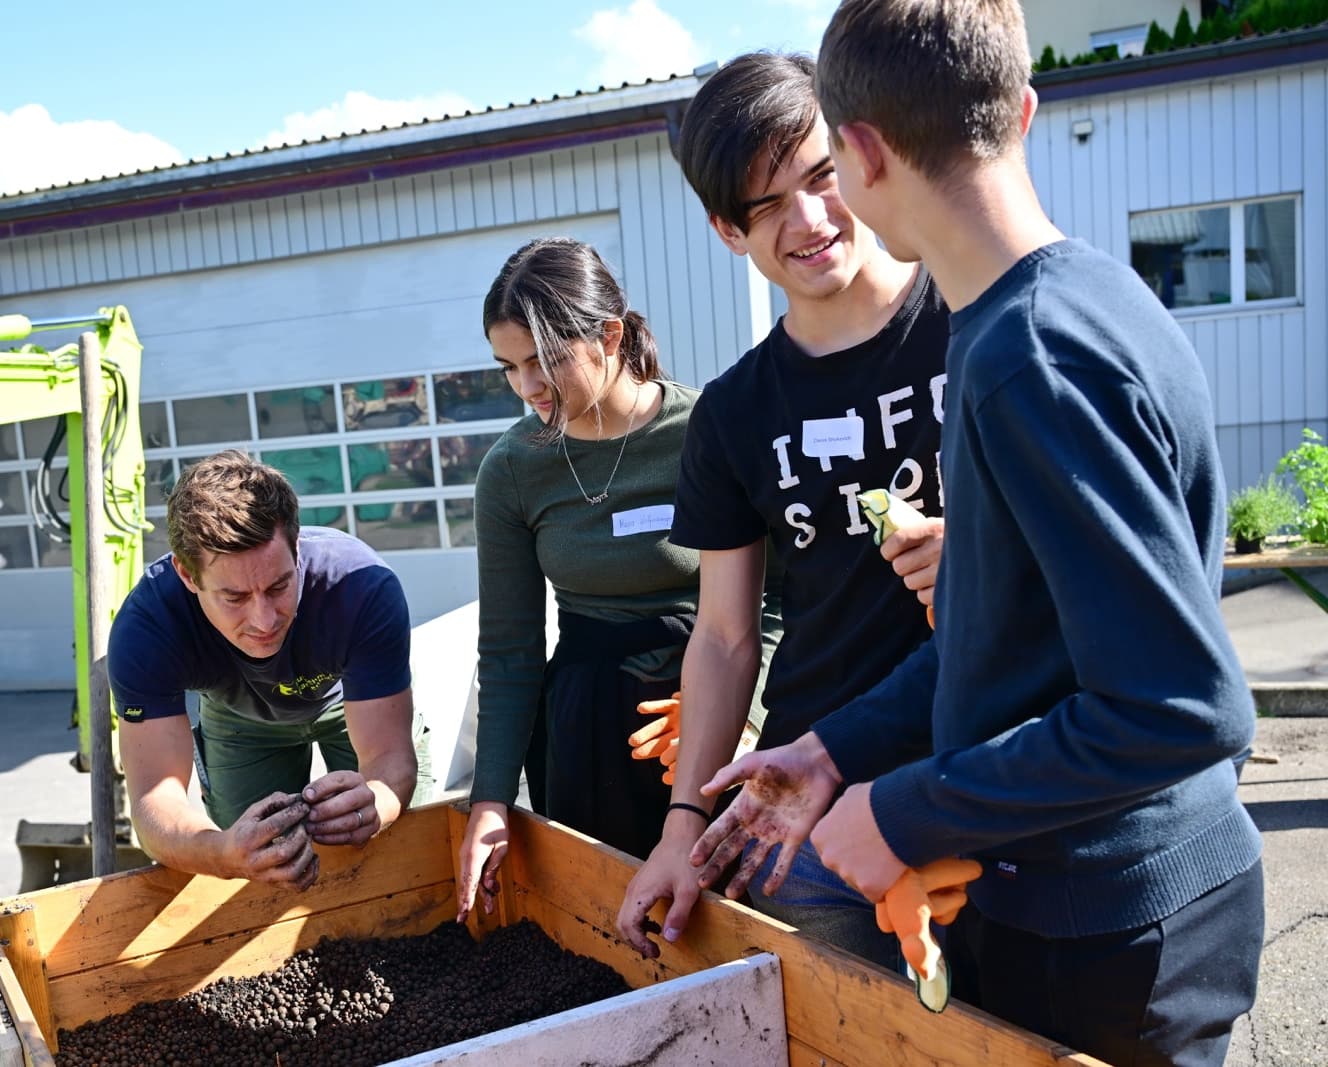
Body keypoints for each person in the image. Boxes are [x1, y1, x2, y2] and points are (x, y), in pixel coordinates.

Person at [690, 3, 1265, 1064]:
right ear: (1024, 110)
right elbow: (1018, 629)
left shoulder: (1022, 361)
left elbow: (1182, 706)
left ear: (859, 154)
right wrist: (831, 751)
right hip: (1107, 901)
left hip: (1111, 922)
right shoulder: (1084, 295)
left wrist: (904, 808)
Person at [615, 51, 949, 967]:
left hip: (978, 773)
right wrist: (682, 824)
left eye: (820, 177)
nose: (807, 221)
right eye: (765, 207)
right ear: (729, 232)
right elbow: (723, 638)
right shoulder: (733, 412)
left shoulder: (973, 322)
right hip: (804, 810)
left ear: (860, 156)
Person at [454, 237, 779, 921]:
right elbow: (510, 649)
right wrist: (490, 800)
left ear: (608, 334)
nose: (526, 388)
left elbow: (779, 600)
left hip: (707, 719)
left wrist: (740, 715)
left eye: (542, 361)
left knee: (725, 930)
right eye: (507, 367)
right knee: (603, 934)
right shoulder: (512, 470)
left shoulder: (707, 431)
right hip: (585, 731)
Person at [108, 450, 428, 890]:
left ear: (296, 547)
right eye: (234, 597)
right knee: (254, 865)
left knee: (408, 845)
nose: (264, 620)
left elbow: (390, 757)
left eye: (279, 585)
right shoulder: (146, 628)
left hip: (348, 701)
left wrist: (380, 803)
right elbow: (153, 804)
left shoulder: (360, 587)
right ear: (186, 574)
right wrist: (221, 853)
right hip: (239, 719)